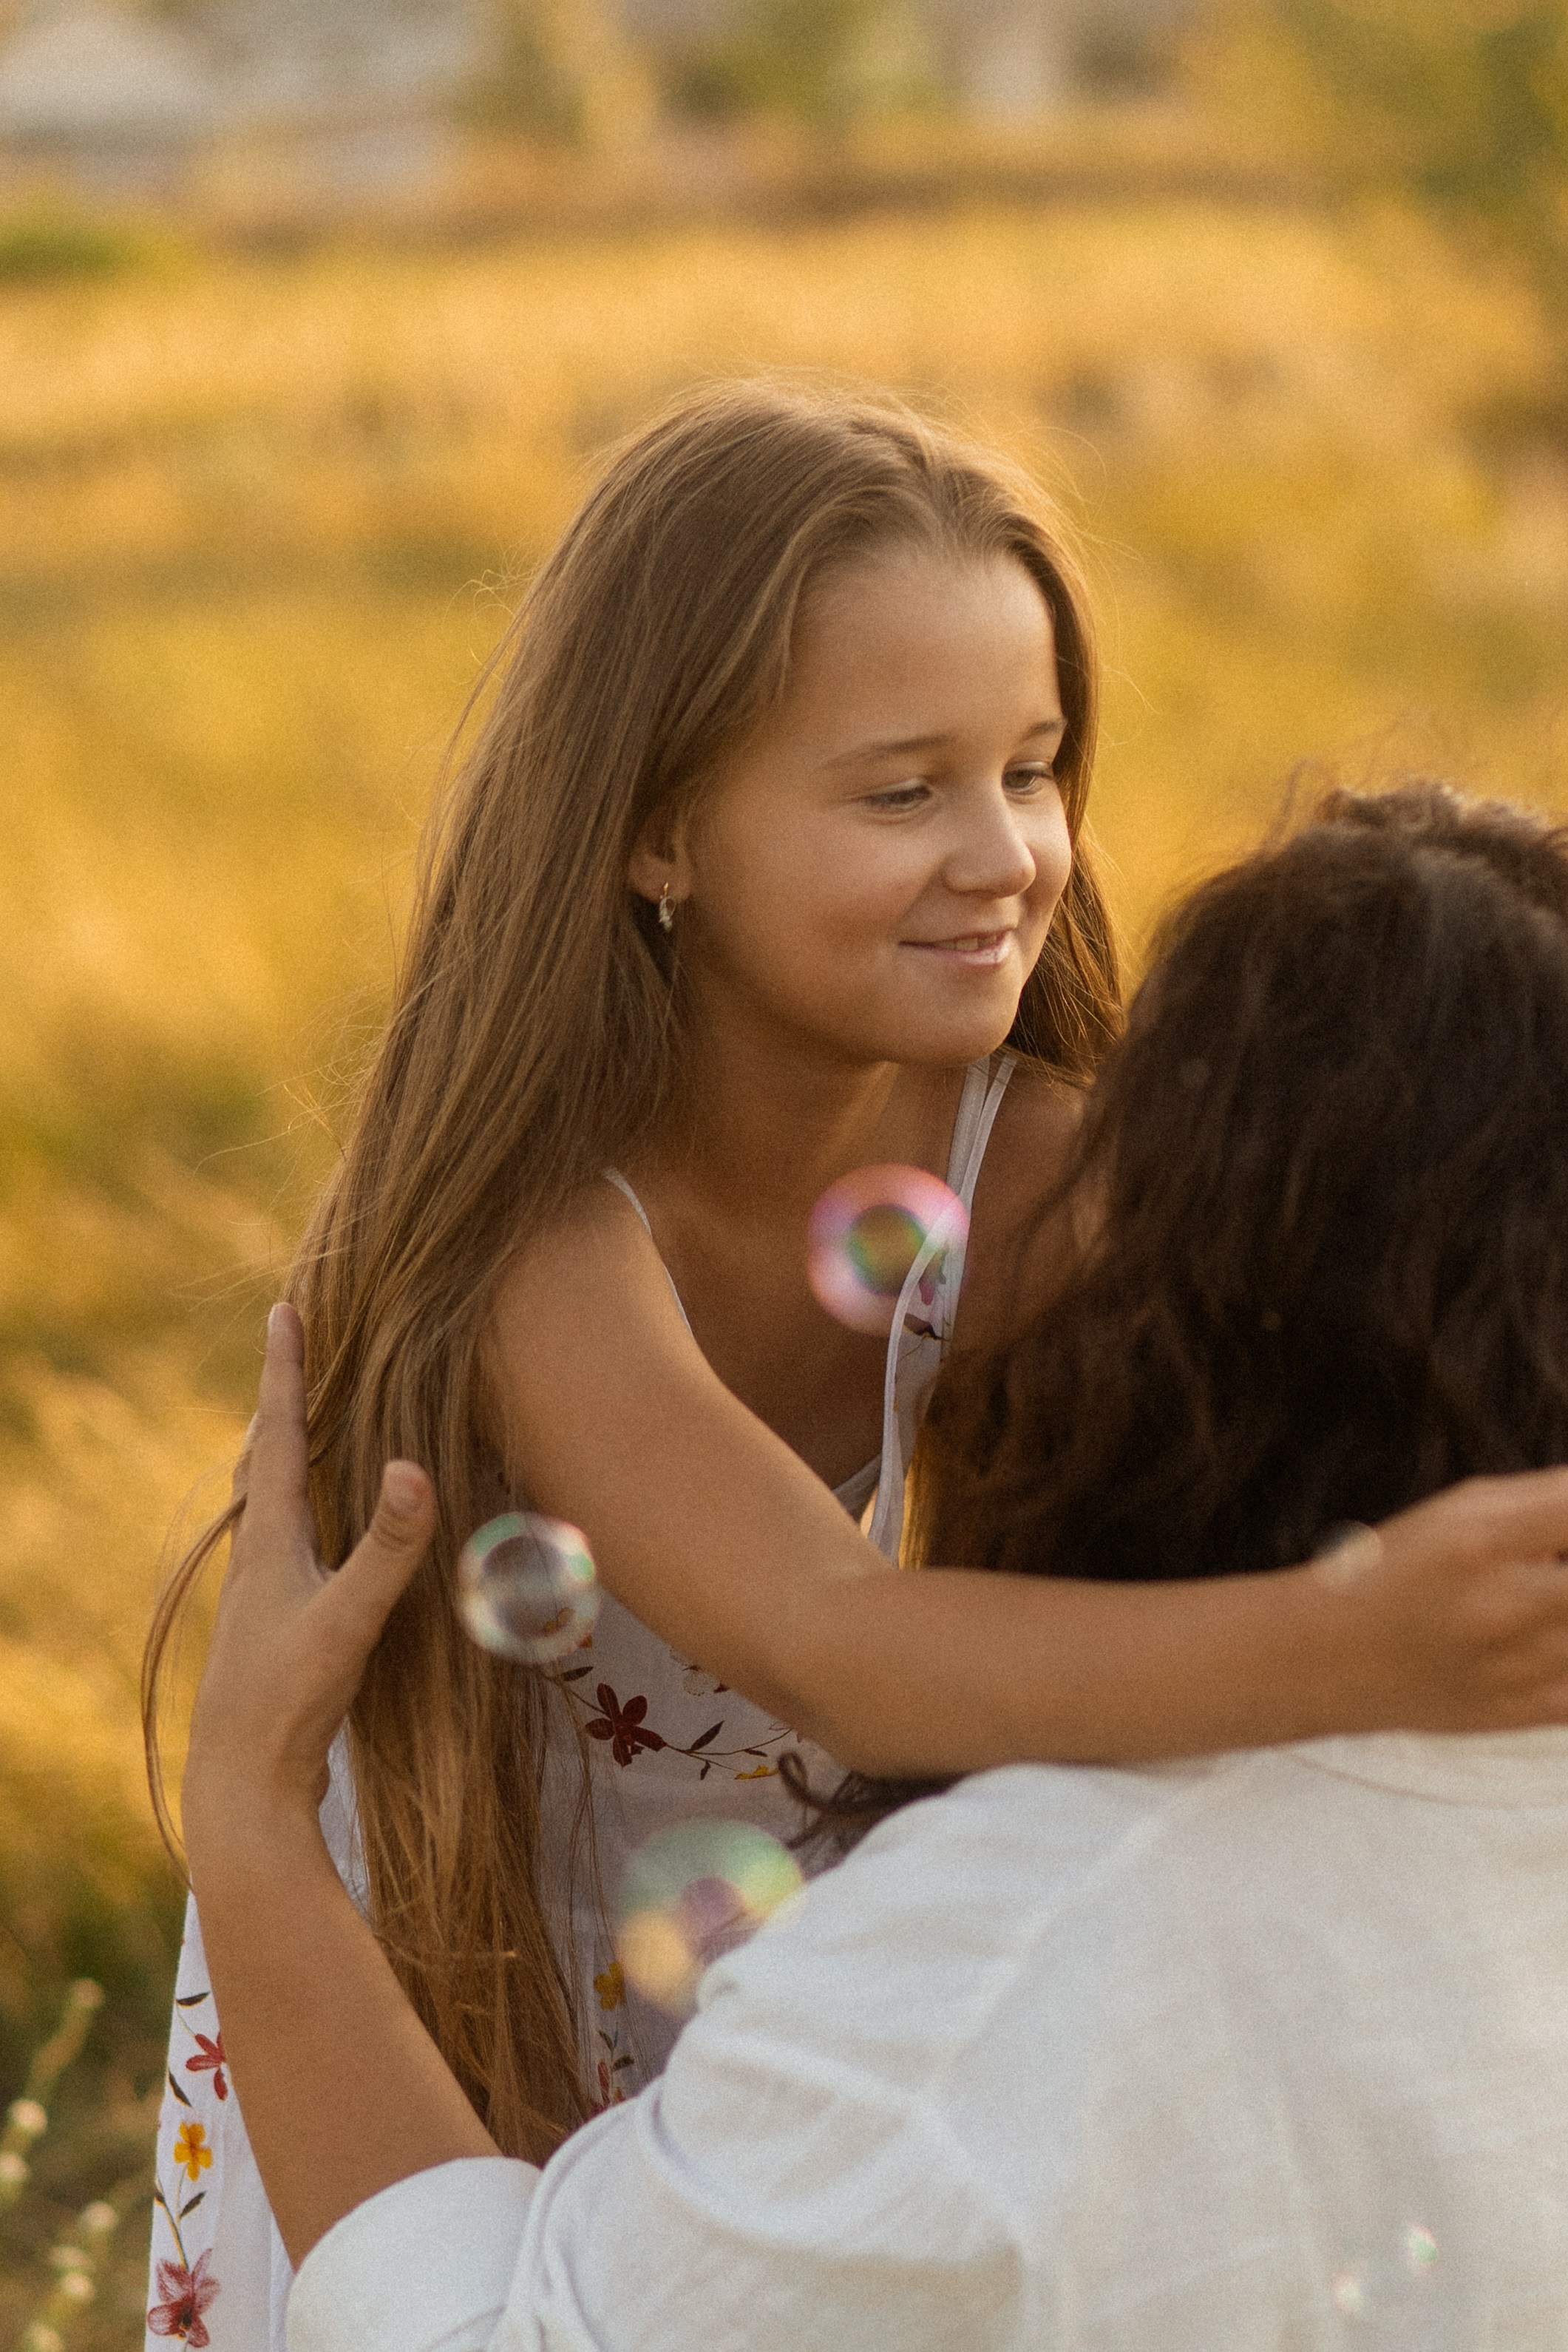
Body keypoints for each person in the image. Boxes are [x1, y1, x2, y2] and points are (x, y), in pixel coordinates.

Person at [144, 381, 1568, 2346]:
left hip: (809, 1978)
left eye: (1036, 768)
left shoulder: (1038, 1161)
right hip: (443, 1987)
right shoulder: (550, 1245)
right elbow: (831, 1639)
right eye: (902, 792)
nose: (1007, 853)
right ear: (655, 830)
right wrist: (1358, 1643)